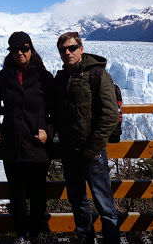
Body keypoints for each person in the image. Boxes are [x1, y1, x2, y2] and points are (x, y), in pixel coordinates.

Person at [0, 31, 54, 244]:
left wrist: (48, 132)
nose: (19, 53)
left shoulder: (44, 77)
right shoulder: (3, 77)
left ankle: (34, 234)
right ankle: (21, 235)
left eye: (24, 48)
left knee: (37, 194)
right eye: (15, 49)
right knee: (16, 194)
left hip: (37, 146)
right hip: (12, 145)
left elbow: (57, 111)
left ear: (31, 49)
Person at [54, 32, 120, 244]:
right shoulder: (62, 77)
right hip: (70, 151)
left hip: (93, 153)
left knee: (104, 203)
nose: (67, 53)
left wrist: (93, 147)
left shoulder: (98, 75)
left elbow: (110, 116)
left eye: (72, 48)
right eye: (63, 50)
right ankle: (86, 239)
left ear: (81, 48)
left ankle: (111, 241)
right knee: (77, 201)